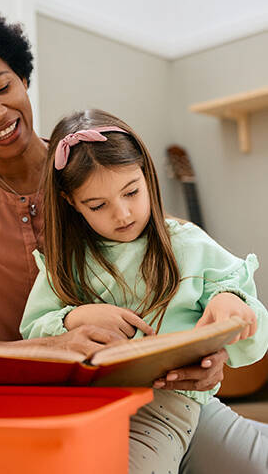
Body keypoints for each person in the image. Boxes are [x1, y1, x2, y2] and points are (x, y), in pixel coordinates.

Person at [0, 0, 268, 473]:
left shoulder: (95, 166)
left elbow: (185, 271)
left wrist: (212, 349)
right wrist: (57, 343)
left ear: (23, 76)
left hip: (166, 399)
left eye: (2, 86)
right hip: (37, 411)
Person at [19, 109, 268, 473]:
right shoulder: (65, 264)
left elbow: (240, 303)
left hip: (189, 401)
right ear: (71, 203)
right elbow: (33, 333)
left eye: (132, 192)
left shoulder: (186, 242)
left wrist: (231, 302)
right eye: (98, 205)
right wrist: (74, 317)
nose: (122, 214)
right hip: (116, 409)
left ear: (147, 176)